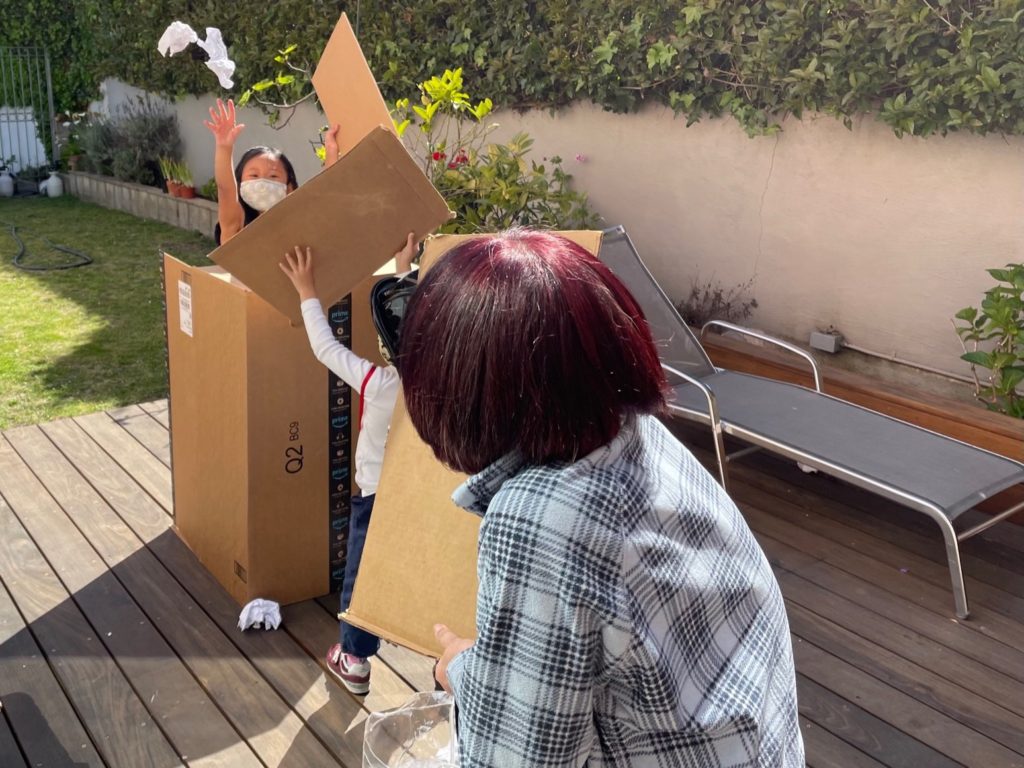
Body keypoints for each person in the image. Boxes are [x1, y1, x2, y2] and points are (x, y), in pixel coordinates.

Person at [399, 230, 805, 767]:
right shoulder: (638, 434)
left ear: (456, 389)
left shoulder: (542, 520)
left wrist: (460, 673)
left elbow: (519, 760)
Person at [279, 234, 416, 695]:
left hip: (376, 497)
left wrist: (306, 291)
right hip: (424, 498)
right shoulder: (450, 385)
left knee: (361, 577)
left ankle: (354, 660)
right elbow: (412, 322)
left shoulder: (380, 383)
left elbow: (325, 348)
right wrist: (402, 272)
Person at [204, 97, 341, 244]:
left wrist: (331, 152)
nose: (262, 182)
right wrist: (224, 147)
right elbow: (225, 189)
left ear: (289, 188)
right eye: (254, 175)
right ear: (239, 184)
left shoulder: (299, 225)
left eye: (273, 176)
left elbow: (327, 199)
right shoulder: (236, 224)